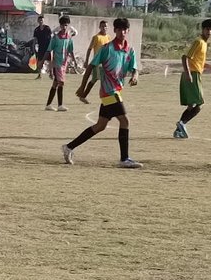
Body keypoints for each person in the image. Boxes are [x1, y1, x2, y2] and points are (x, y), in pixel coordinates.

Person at [64, 18, 140, 169]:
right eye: (119, 29)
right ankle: (124, 159)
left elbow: (135, 67)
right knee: (125, 121)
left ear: (128, 31)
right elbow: (92, 67)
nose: (122, 32)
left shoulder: (129, 50)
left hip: (116, 91)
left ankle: (68, 147)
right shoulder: (106, 48)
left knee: (100, 126)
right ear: (115, 31)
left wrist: (135, 76)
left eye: (125, 30)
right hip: (108, 92)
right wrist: (82, 87)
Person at [174, 19, 211, 140]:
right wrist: (188, 74)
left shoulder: (204, 43)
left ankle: (178, 130)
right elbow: (185, 58)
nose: (209, 31)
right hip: (192, 75)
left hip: (195, 73)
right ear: (202, 29)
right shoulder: (198, 42)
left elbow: (197, 61)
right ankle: (182, 123)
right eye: (207, 29)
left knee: (191, 105)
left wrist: (209, 66)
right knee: (200, 103)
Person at [45, 16, 75, 112]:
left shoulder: (69, 38)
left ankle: (48, 104)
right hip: (57, 63)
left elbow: (70, 50)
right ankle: (60, 105)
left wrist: (74, 60)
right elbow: (50, 50)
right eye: (63, 25)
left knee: (55, 84)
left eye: (66, 25)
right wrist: (48, 65)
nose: (64, 27)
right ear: (60, 26)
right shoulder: (56, 38)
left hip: (63, 64)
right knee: (61, 83)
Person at [77, 20, 111, 104]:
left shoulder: (108, 37)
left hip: (105, 63)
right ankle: (107, 99)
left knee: (94, 79)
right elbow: (89, 49)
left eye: (106, 26)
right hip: (97, 63)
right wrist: (87, 61)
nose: (104, 28)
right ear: (99, 27)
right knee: (103, 80)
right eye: (102, 26)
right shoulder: (96, 37)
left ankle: (83, 95)